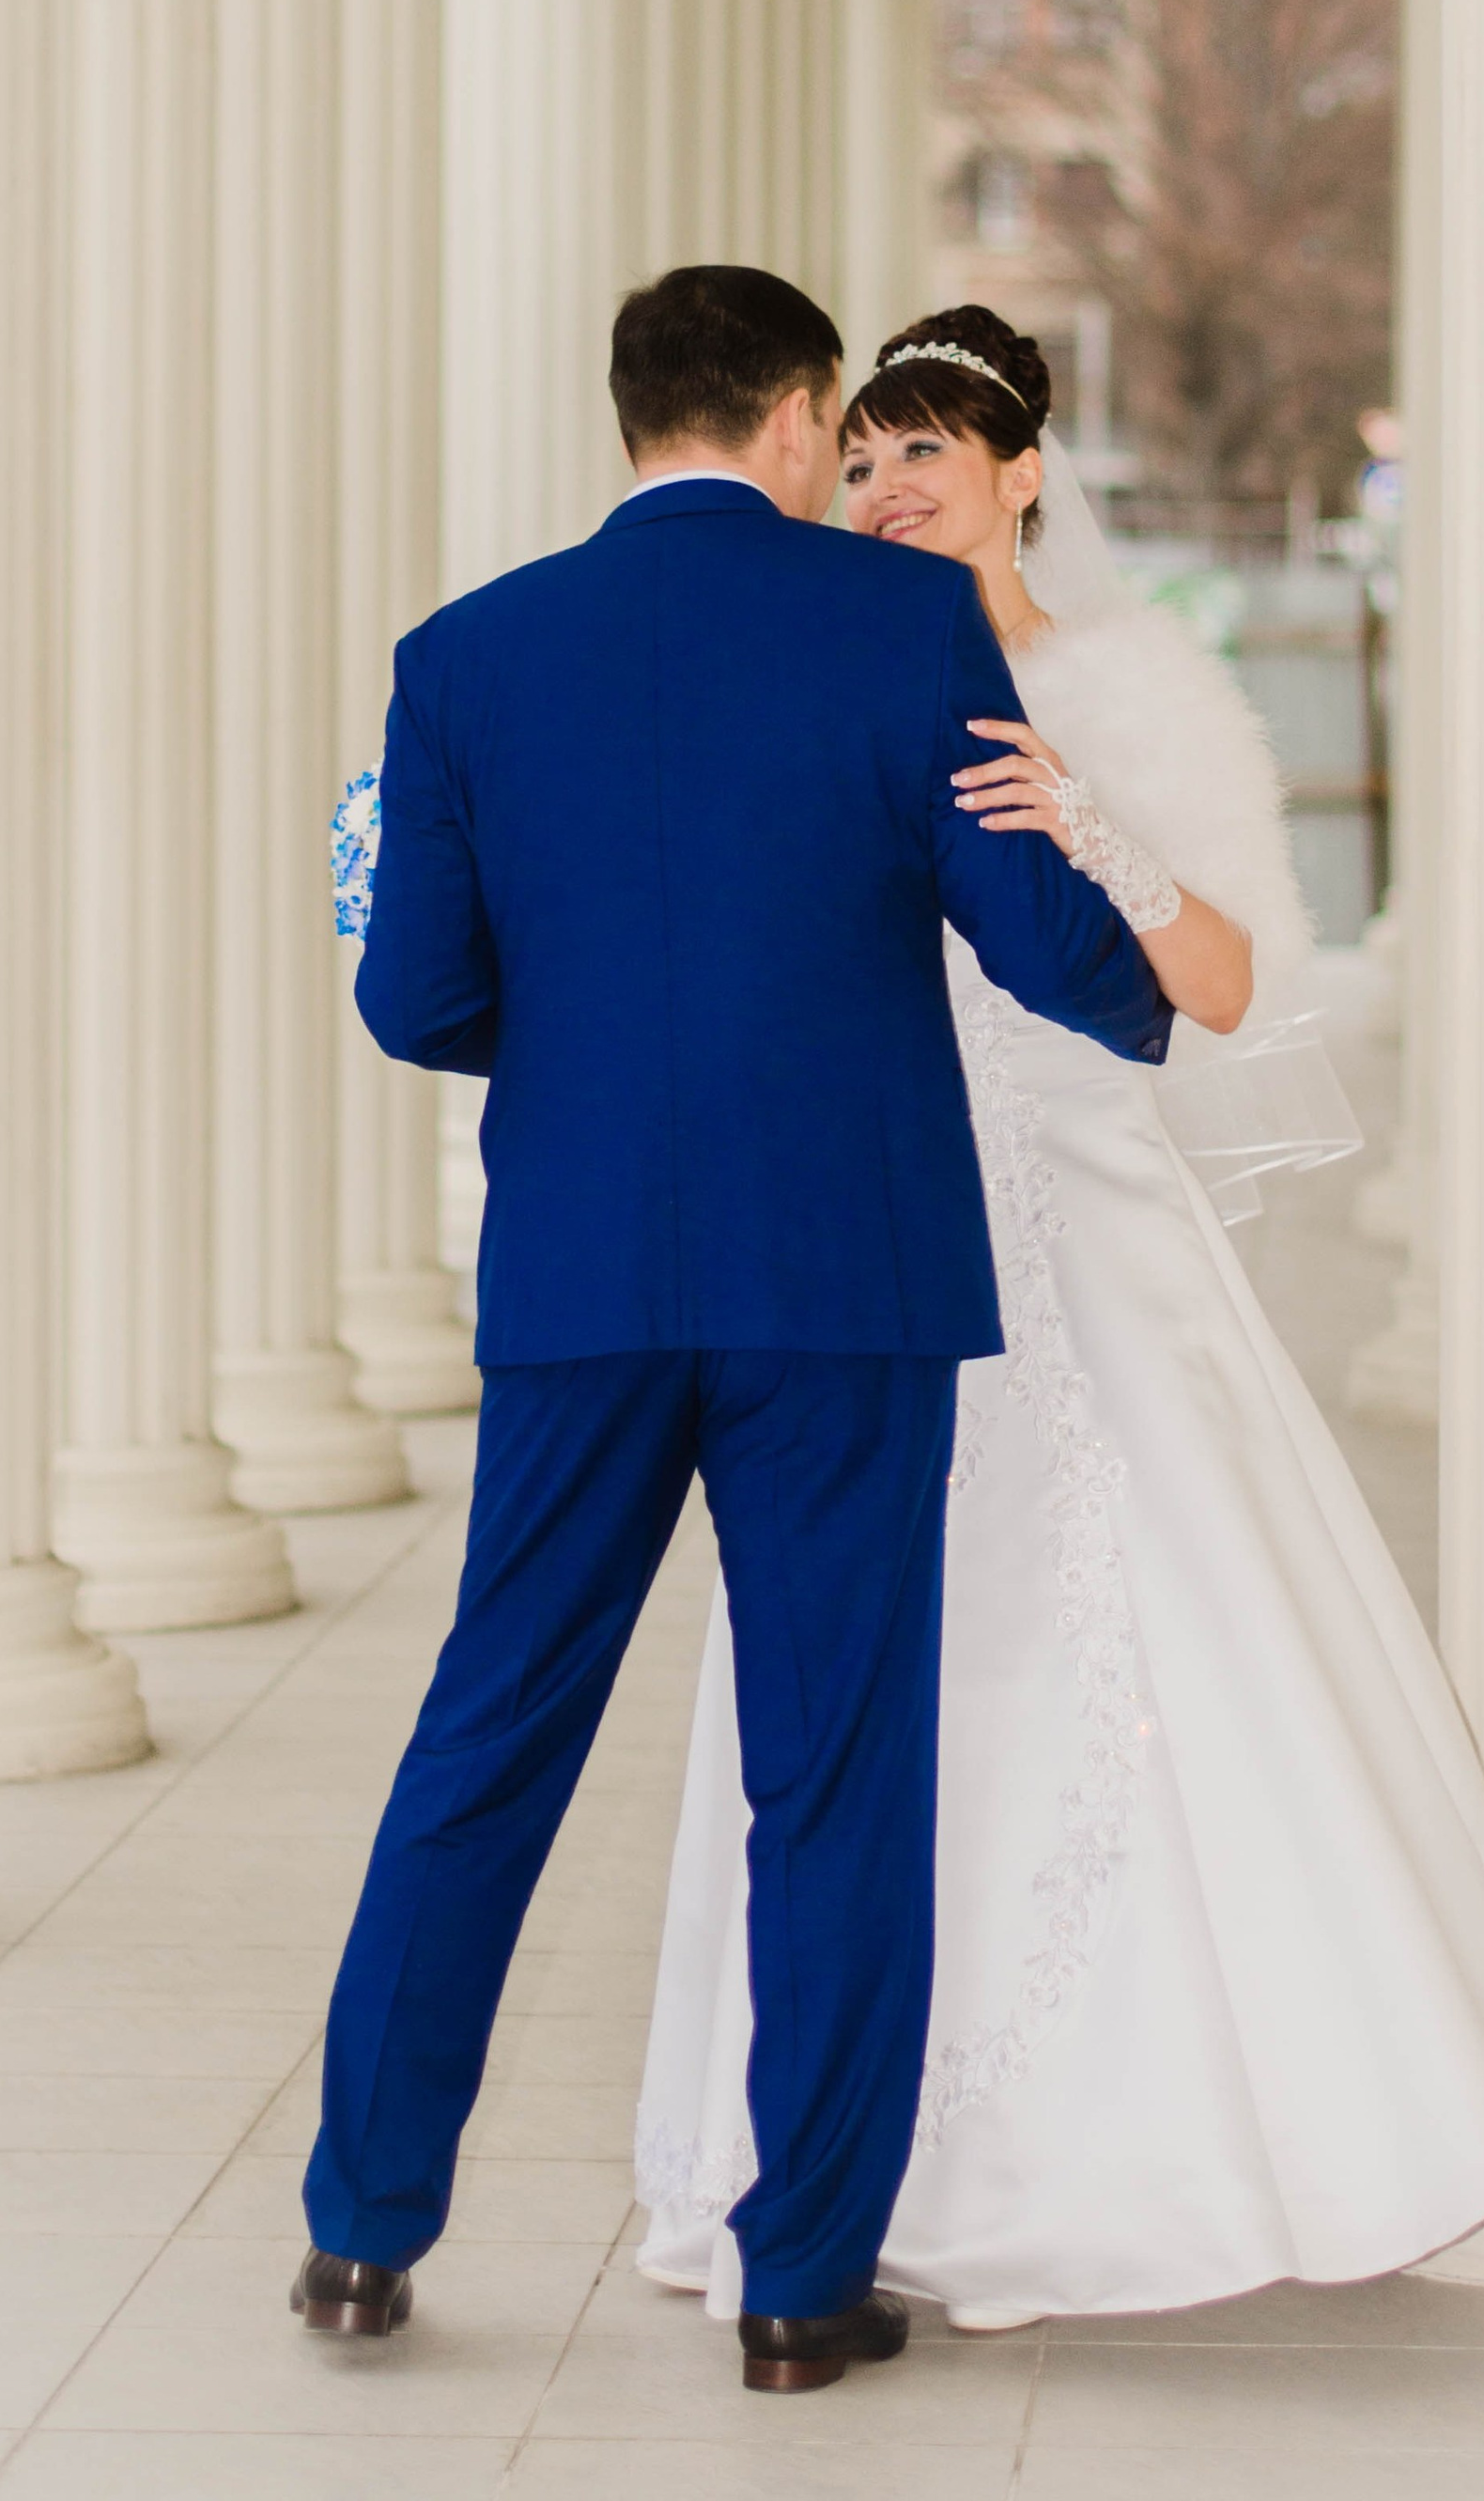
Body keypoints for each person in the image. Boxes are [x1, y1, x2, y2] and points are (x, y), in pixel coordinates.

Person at [637, 305, 1484, 2325]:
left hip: (1079, 1215)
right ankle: (837, 2151)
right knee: (858, 1687)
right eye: (866, 454)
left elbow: (1238, 984)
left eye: (934, 449)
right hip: (859, 1232)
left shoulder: (1137, 682)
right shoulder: (817, 659)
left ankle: (1167, 2143)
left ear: (1023, 475)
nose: (893, 483)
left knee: (1122, 1636)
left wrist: (1082, 824)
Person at [296, 267, 1172, 2397]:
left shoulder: (465, 656)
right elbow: (1027, 922)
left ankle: (358, 2232)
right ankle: (801, 2286)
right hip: (842, 1272)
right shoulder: (894, 628)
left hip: (585, 1274)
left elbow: (412, 996)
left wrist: (598, 1051)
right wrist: (1142, 996)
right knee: (835, 1768)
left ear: (631, 422)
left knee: (485, 1736)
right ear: (794, 414)